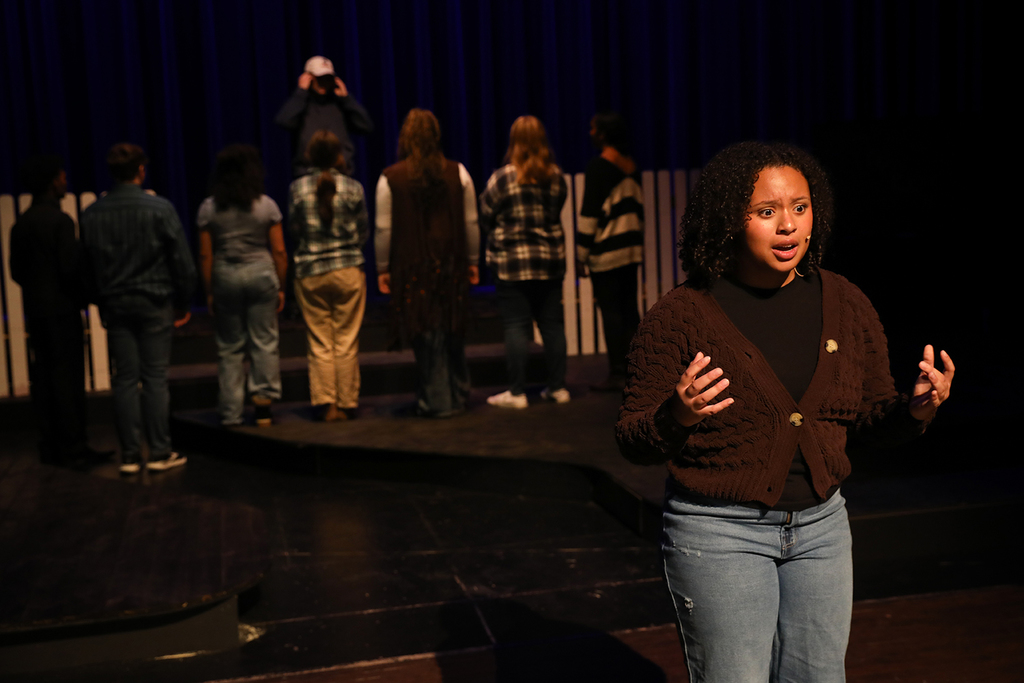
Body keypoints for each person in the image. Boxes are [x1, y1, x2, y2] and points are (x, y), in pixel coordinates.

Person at [615, 141, 954, 682]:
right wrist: (677, 413)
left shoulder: (845, 302)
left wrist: (914, 410)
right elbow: (633, 439)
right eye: (766, 211)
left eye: (800, 207)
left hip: (822, 531)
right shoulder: (681, 315)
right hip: (720, 533)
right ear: (730, 219)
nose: (789, 225)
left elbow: (869, 419)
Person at [80, 143, 197, 474]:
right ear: (141, 171)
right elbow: (182, 262)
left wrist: (100, 300)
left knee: (125, 379)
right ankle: (159, 452)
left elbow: (85, 268)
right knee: (155, 377)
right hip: (154, 302)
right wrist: (183, 302)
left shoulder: (93, 213)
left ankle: (130, 456)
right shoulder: (159, 208)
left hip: (116, 304)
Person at [374, 109, 480, 417]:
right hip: (452, 262)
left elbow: (383, 229)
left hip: (413, 267)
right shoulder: (459, 173)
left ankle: (437, 400)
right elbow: (471, 222)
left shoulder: (391, 178)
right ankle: (457, 393)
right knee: (451, 328)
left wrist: (382, 267)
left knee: (426, 331)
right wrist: (474, 260)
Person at [8, 155, 107, 467]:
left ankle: (50, 445)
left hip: (36, 312)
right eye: (62, 177)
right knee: (69, 379)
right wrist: (86, 296)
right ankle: (74, 446)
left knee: (45, 378)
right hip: (62, 312)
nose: (66, 181)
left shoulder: (21, 224)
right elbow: (69, 269)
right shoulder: (61, 222)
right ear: (52, 182)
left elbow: (16, 271)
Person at [479, 115, 569, 409]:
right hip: (548, 262)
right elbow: (556, 210)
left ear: (514, 141)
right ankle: (558, 388)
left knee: (516, 326)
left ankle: (517, 393)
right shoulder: (556, 177)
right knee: (552, 325)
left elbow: (485, 216)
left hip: (512, 263)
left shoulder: (502, 178)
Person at [196, 144, 288, 427]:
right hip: (261, 275)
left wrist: (209, 291)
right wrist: (281, 287)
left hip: (226, 276)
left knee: (229, 347)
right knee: (264, 342)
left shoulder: (209, 208)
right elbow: (279, 251)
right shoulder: (266, 205)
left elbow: (205, 255)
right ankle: (263, 408)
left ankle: (231, 412)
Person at [289, 130, 368, 422]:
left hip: (311, 272)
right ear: (338, 156)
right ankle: (347, 403)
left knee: (320, 341)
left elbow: (294, 229)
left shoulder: (297, 189)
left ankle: (327, 405)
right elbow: (363, 231)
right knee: (346, 339)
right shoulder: (353, 188)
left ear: (309, 156)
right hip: (347, 270)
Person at [577, 112, 644, 392]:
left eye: (593, 128)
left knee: (612, 313)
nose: (590, 133)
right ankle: (638, 371)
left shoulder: (599, 167)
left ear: (603, 134)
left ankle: (618, 372)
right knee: (630, 310)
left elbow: (590, 214)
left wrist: (581, 254)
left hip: (606, 251)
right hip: (630, 251)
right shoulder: (632, 166)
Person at [275, 55, 374, 178]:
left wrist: (347, 99)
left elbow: (366, 126)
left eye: (328, 78)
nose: (323, 83)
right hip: (308, 174)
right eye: (319, 78)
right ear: (309, 78)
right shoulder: (301, 105)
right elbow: (284, 121)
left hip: (341, 174)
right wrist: (301, 92)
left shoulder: (341, 104)